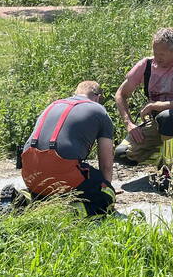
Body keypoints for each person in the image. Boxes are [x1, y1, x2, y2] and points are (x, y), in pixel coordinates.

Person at [114, 27, 173, 188]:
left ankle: (171, 171)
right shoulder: (145, 65)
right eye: (155, 52)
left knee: (167, 118)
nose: (157, 57)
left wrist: (154, 105)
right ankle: (163, 158)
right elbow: (120, 94)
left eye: (161, 54)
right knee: (122, 154)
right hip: (155, 123)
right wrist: (129, 123)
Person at [18, 80, 117, 217]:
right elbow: (106, 165)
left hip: (30, 174)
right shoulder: (99, 110)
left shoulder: (53, 105)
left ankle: (30, 199)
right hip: (63, 173)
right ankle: (68, 213)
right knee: (106, 196)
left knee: (55, 180)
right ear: (98, 97)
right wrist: (106, 188)